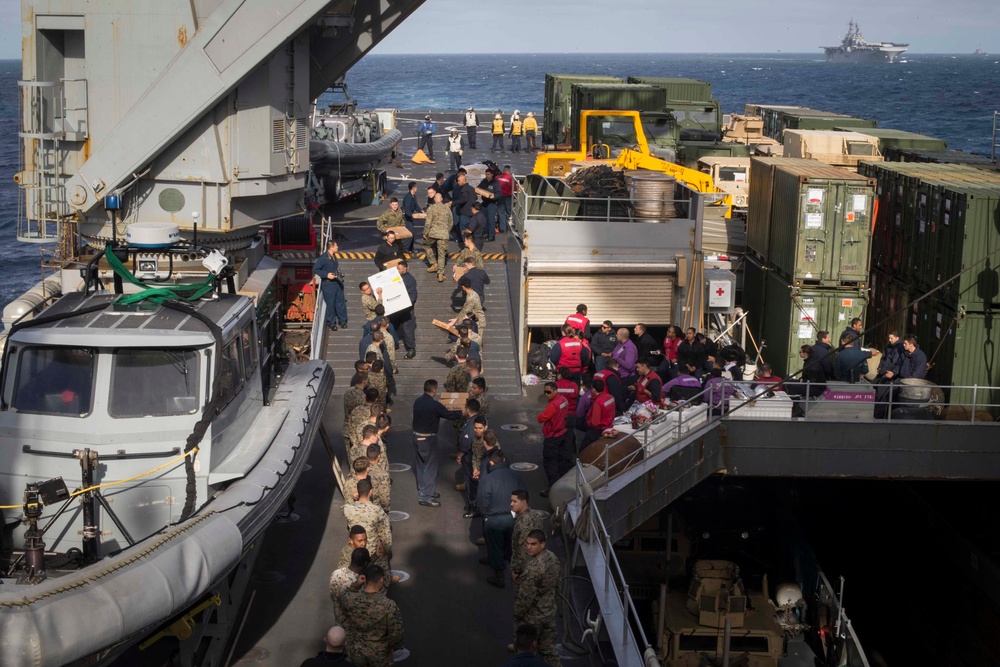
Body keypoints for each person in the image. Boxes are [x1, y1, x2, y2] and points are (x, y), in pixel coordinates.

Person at [339, 565, 404, 667]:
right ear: (381, 579)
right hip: (380, 654)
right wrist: (396, 646)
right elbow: (396, 632)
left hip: (357, 651)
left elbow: (343, 595)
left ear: (365, 579)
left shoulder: (351, 600)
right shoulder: (388, 605)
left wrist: (356, 584)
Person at [513, 530, 562, 667]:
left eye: (533, 544)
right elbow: (558, 585)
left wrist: (517, 614)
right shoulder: (553, 559)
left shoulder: (533, 569)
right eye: (527, 543)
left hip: (532, 618)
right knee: (548, 650)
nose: (529, 547)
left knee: (526, 653)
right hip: (549, 612)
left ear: (543, 544)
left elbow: (525, 599)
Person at [478, 448, 526, 588]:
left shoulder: (488, 479)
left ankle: (499, 575)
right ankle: (510, 562)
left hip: (494, 519)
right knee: (511, 543)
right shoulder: (515, 476)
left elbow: (482, 500)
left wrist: (486, 515)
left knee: (494, 546)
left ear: (491, 462)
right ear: (504, 460)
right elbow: (524, 494)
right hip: (513, 517)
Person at [411, 380, 462, 507]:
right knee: (429, 467)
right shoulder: (434, 405)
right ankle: (426, 496)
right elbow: (449, 415)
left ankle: (426, 490)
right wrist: (462, 413)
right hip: (428, 439)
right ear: (434, 390)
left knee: (421, 466)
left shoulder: (417, 401)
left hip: (416, 437)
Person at [342, 479, 392, 578]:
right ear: (370, 492)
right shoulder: (377, 511)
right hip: (373, 552)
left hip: (355, 552)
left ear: (357, 491)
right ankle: (386, 580)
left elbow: (349, 528)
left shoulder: (347, 509)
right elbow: (386, 536)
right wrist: (386, 549)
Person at [536, 382, 570, 497]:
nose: (546, 394)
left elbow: (542, 418)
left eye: (549, 392)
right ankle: (562, 484)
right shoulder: (564, 400)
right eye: (545, 392)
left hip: (552, 437)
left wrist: (539, 416)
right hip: (563, 434)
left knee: (550, 463)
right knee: (561, 461)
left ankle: (553, 488)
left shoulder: (553, 405)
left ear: (555, 391)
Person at [329, 547, 369, 626]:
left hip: (338, 622)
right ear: (365, 564)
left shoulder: (336, 573)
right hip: (352, 627)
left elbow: (333, 594)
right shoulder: (360, 584)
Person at [313, 241, 347, 331]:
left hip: (337, 282)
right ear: (331, 247)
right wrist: (326, 274)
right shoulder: (323, 258)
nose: (337, 247)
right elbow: (315, 269)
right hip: (328, 284)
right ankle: (331, 323)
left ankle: (342, 320)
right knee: (330, 304)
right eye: (336, 245)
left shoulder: (333, 257)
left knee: (340, 302)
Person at [423, 191, 451, 283]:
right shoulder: (447, 209)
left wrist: (425, 233)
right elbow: (451, 222)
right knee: (442, 254)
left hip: (433, 233)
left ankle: (433, 263)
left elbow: (428, 223)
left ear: (434, 199)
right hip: (443, 234)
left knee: (426, 245)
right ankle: (440, 273)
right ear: (442, 199)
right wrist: (446, 231)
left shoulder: (431, 208)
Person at [582, 379, 616, 447]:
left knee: (584, 447)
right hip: (609, 425)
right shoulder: (610, 397)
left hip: (599, 429)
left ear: (594, 389)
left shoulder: (598, 402)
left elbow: (595, 423)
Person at [477, 169, 502, 241]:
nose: (487, 176)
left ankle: (491, 235)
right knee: (484, 219)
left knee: (491, 220)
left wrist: (493, 196)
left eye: (488, 174)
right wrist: (478, 191)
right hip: (484, 203)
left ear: (491, 174)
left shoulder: (495, 183)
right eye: (486, 174)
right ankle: (485, 233)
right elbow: (478, 188)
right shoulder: (484, 181)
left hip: (492, 203)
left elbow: (498, 194)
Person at [453, 172, 477, 236]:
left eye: (459, 181)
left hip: (465, 212)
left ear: (464, 181)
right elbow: (476, 197)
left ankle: (465, 241)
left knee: (463, 228)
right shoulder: (471, 188)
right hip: (472, 211)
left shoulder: (463, 189)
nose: (458, 182)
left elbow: (464, 199)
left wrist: (454, 202)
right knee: (471, 228)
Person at [400, 182, 421, 252]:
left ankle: (411, 248)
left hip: (410, 217)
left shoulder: (413, 196)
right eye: (416, 187)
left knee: (412, 233)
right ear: (413, 188)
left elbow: (415, 205)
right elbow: (406, 208)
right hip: (406, 217)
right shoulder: (408, 197)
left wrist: (421, 210)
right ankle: (405, 248)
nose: (416, 188)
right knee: (409, 233)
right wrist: (411, 214)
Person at [496, 165, 515, 233]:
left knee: (501, 213)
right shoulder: (510, 179)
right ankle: (508, 228)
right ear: (509, 171)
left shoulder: (497, 177)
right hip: (507, 197)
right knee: (508, 213)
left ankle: (502, 228)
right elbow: (514, 189)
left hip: (499, 197)